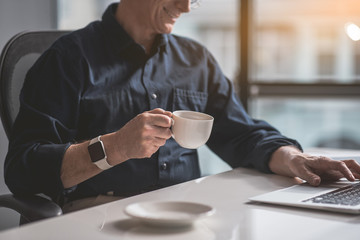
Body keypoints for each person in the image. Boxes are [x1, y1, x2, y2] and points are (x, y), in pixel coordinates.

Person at [4, 0, 360, 211]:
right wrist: (114, 147)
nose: (188, 6)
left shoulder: (195, 60)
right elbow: (23, 170)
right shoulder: (67, 60)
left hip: (186, 210)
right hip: (100, 214)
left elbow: (241, 133)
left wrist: (294, 159)